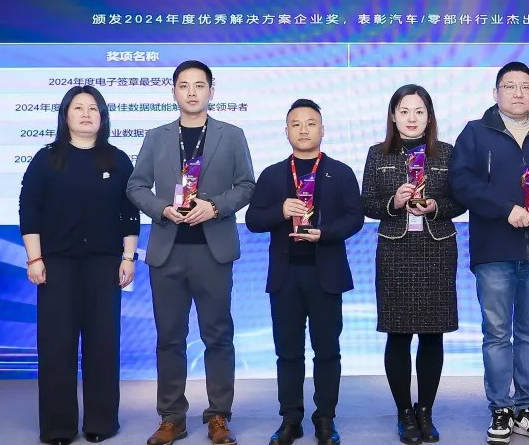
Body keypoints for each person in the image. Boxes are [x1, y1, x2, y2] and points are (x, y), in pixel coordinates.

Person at [126, 60, 255, 445]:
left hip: (212, 252)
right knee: (169, 338)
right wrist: (161, 208)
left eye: (200, 85)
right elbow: (136, 186)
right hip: (167, 251)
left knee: (218, 337)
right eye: (184, 85)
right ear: (174, 92)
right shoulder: (156, 137)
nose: (192, 92)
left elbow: (247, 185)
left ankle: (219, 415)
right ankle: (171, 418)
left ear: (212, 91)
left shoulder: (232, 135)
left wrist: (214, 207)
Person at [449, 61, 529, 445]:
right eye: (510, 86)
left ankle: (527, 408)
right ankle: (500, 409)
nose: (518, 93)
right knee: (497, 334)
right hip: (494, 249)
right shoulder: (475, 133)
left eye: (525, 86)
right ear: (496, 93)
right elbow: (461, 183)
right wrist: (505, 209)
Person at [19, 85, 140, 445]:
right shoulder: (47, 158)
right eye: (78, 108)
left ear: (103, 117)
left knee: (103, 344)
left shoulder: (117, 160)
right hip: (56, 264)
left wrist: (129, 257)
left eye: (93, 108)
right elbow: (29, 210)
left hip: (105, 264)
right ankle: (58, 427)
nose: (86, 114)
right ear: (65, 115)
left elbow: (129, 212)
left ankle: (101, 423)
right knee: (56, 345)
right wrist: (35, 258)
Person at [246, 99, 364, 445]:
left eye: (311, 123)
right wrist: (281, 211)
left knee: (327, 351)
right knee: (288, 352)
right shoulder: (272, 174)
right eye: (296, 124)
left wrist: (324, 233)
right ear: (286, 132)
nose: (303, 130)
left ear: (322, 130)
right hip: (285, 277)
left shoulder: (340, 172)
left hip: (325, 275)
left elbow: (355, 218)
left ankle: (325, 418)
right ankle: (290, 419)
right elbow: (253, 220)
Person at [360, 84, 466, 443]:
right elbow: (367, 203)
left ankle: (426, 412)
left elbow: (460, 201)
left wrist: (435, 206)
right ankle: (404, 413)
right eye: (404, 111)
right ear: (393, 116)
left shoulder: (447, 153)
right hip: (395, 251)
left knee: (433, 334)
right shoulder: (378, 154)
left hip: (437, 250)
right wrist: (393, 202)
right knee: (399, 333)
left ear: (429, 116)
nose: (411, 118)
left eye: (419, 111)